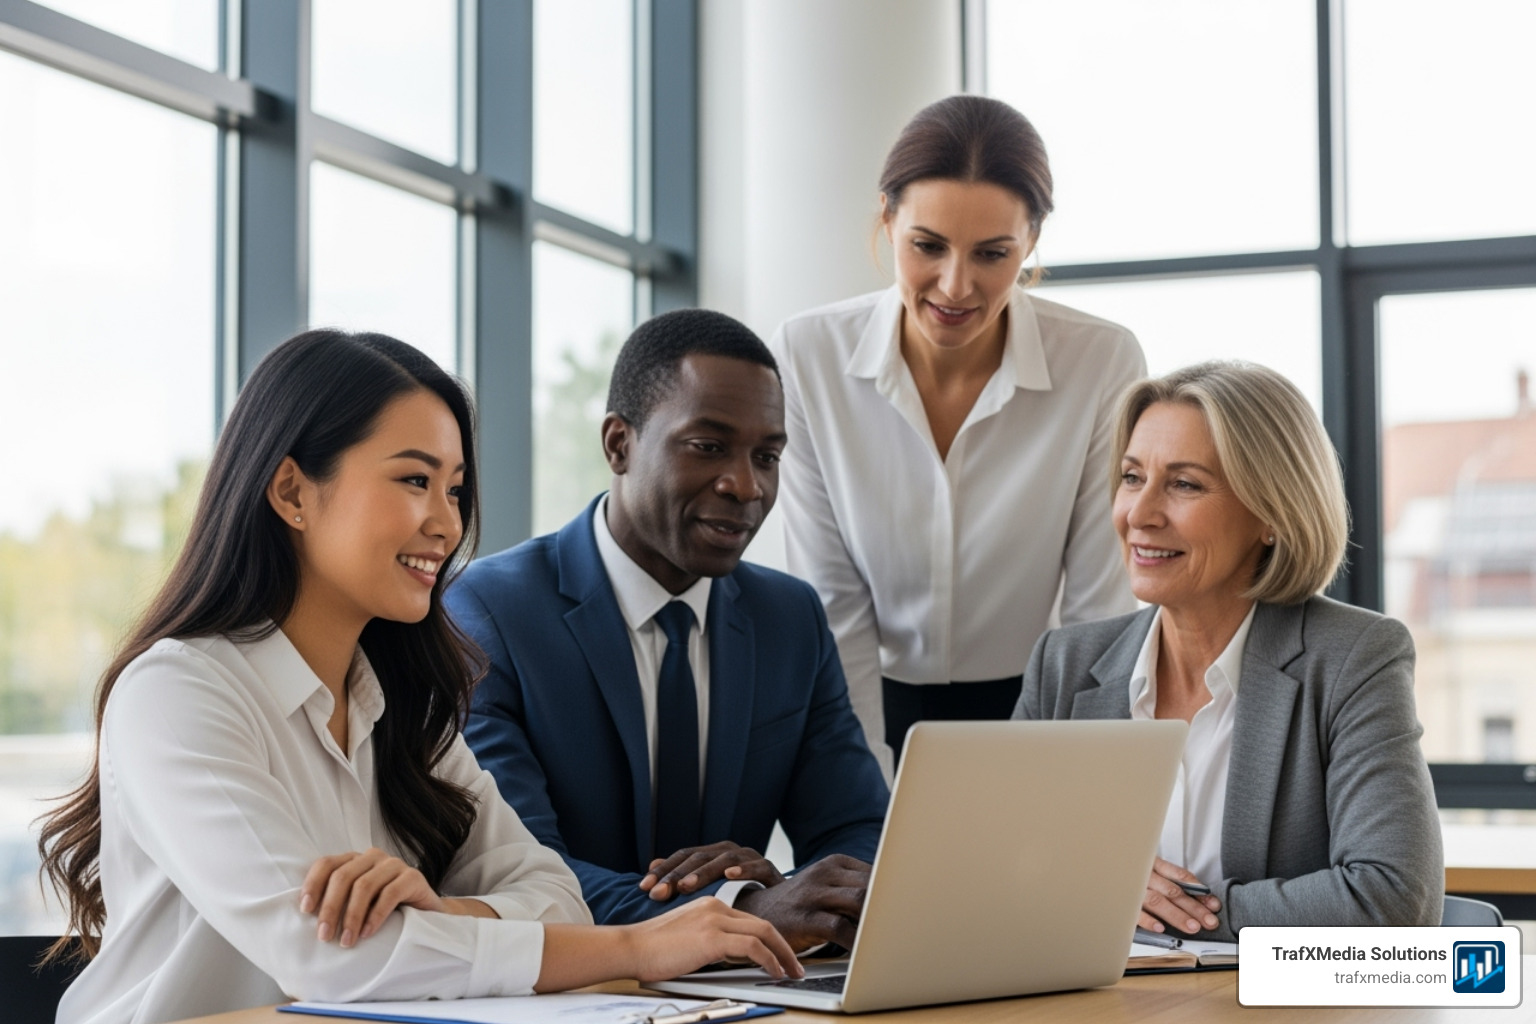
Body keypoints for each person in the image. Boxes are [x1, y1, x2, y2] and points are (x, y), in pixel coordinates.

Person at [39, 330, 801, 1024]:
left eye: (455, 490)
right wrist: (638, 947)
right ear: (292, 492)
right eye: (414, 480)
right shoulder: (178, 694)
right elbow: (330, 959)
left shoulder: (403, 701)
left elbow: (557, 897)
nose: (447, 523)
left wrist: (443, 911)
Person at [448, 308, 890, 952]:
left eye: (767, 457)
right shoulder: (489, 612)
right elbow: (519, 869)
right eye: (708, 446)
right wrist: (744, 908)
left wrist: (793, 897)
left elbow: (860, 833)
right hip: (570, 988)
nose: (746, 486)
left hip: (758, 989)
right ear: (618, 444)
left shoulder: (790, 618)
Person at [771, 95, 1144, 773]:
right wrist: (865, 790)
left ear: (1032, 240)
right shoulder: (808, 355)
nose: (955, 285)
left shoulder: (1100, 361)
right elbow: (834, 604)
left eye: (992, 254)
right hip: (860, 699)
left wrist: (1073, 777)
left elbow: (1098, 611)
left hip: (1040, 703)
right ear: (887, 219)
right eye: (928, 246)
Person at [1013, 360, 1444, 940]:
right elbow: (999, 872)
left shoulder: (1354, 659)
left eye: (1184, 484)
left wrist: (1169, 913)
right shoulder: (1063, 667)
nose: (1139, 514)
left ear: (1271, 512)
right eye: (1132, 477)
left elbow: (1391, 900)